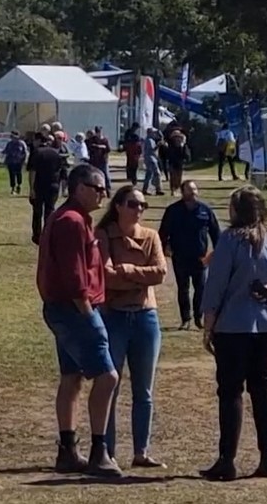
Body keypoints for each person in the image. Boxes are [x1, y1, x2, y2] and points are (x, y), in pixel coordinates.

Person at [198, 186, 267, 481]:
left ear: (236, 210)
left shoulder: (230, 241)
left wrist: (208, 326)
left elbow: (215, 287)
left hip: (233, 326)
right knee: (263, 387)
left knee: (231, 391)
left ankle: (227, 459)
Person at [37, 164, 122, 478]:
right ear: (78, 187)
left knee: (72, 377)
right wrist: (87, 312)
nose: (103, 193)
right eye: (97, 187)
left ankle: (67, 450)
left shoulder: (69, 219)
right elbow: (75, 275)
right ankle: (100, 451)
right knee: (108, 376)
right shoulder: (72, 222)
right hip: (74, 310)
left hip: (62, 308)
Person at [96, 185, 168, 468]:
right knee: (110, 385)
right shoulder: (103, 235)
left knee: (144, 390)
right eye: (132, 204)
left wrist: (127, 272)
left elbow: (160, 273)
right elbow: (106, 276)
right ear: (118, 206)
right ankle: (107, 451)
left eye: (142, 205)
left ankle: (141, 451)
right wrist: (140, 277)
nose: (138, 210)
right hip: (113, 317)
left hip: (145, 317)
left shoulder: (151, 236)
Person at [158, 180, 220, 330]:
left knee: (201, 289)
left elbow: (215, 233)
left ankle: (199, 318)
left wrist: (216, 253)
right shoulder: (173, 211)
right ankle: (185, 319)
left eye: (194, 190)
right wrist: (164, 248)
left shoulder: (205, 210)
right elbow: (163, 232)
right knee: (183, 289)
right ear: (182, 192)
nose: (193, 193)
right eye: (189, 190)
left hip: (200, 258)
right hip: (180, 257)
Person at [28, 132, 68, 244]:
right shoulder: (56, 153)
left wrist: (31, 189)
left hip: (40, 185)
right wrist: (63, 188)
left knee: (37, 212)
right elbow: (62, 171)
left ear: (38, 141)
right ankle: (48, 234)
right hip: (53, 185)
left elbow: (33, 172)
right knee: (50, 211)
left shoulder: (36, 153)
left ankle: (37, 235)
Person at [3, 131, 30, 197]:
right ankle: (13, 188)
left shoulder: (22, 144)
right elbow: (5, 151)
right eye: (11, 137)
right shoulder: (9, 144)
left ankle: (19, 185)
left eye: (13, 136)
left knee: (18, 174)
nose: (12, 138)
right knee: (11, 175)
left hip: (19, 162)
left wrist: (25, 160)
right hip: (11, 162)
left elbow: (25, 152)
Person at [163, 125, 188, 192]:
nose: (177, 138)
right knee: (173, 176)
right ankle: (173, 189)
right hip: (172, 162)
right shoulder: (170, 145)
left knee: (179, 176)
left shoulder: (182, 145)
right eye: (176, 137)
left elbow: (185, 154)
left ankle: (177, 187)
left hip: (179, 162)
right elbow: (167, 153)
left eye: (178, 137)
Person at [141, 127, 164, 196]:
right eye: (154, 132)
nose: (155, 134)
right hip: (151, 159)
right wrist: (159, 145)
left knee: (149, 174)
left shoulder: (148, 140)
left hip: (149, 159)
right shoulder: (150, 140)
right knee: (157, 174)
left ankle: (145, 189)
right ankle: (158, 189)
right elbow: (152, 149)